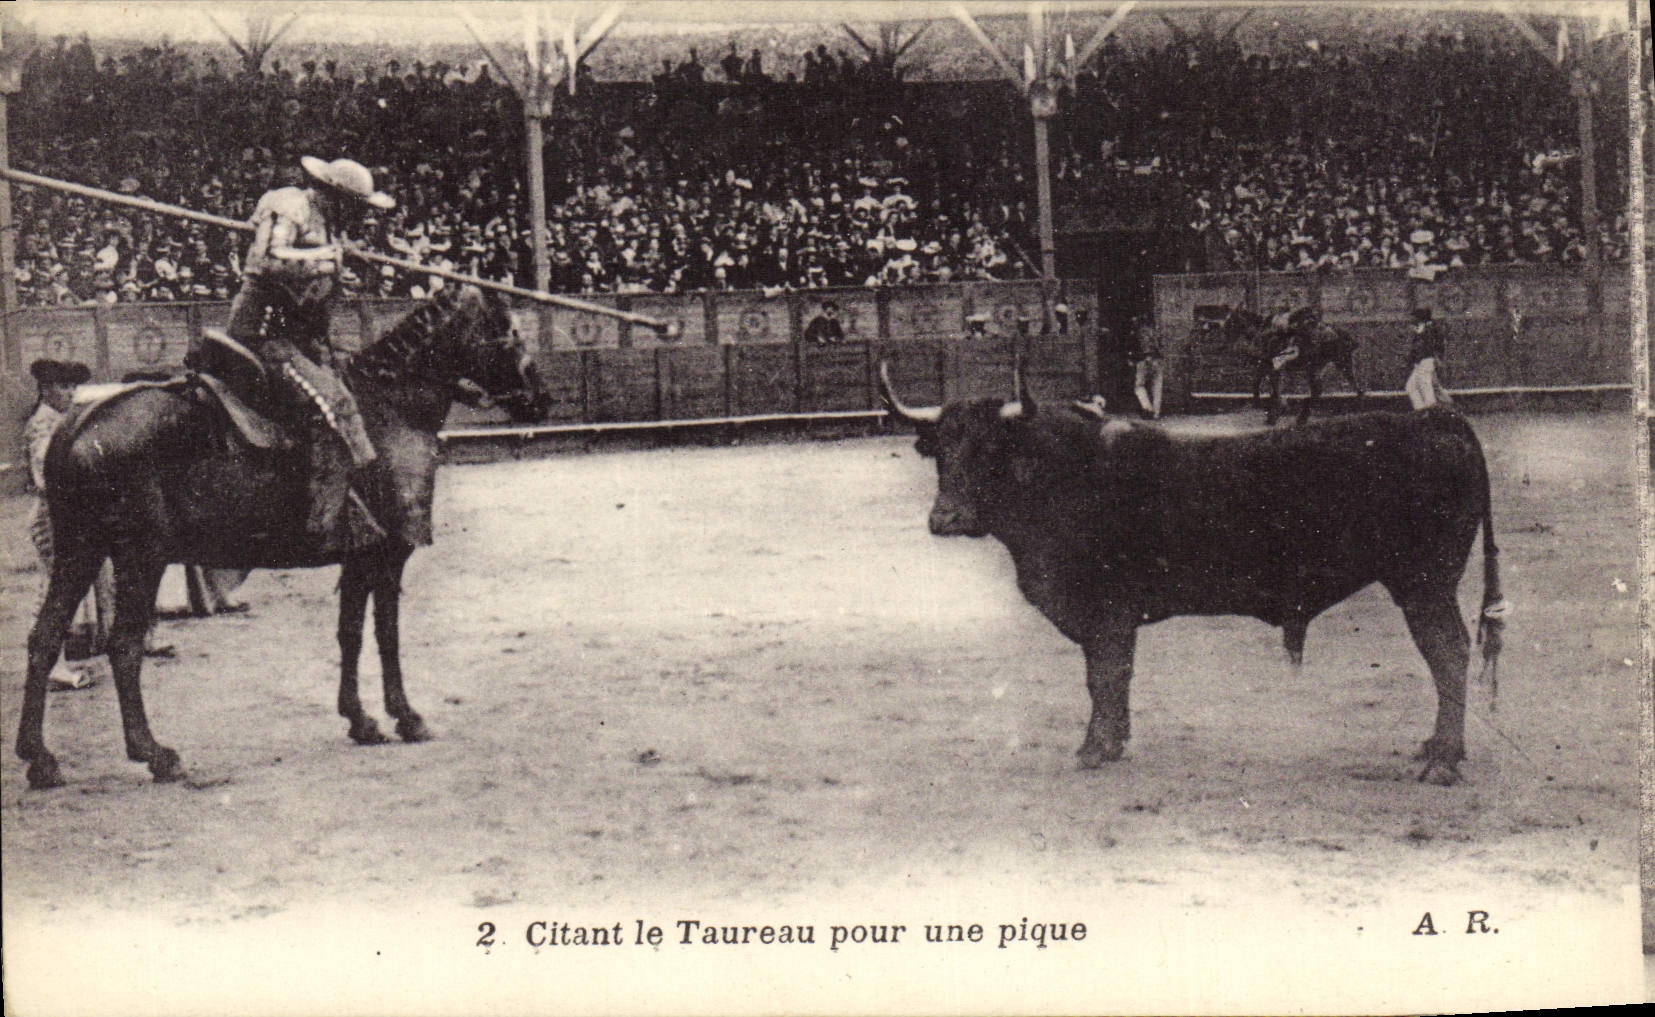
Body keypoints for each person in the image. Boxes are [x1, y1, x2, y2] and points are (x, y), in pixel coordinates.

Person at [225, 156, 395, 533]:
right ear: (336, 196)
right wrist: (328, 258)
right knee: (337, 403)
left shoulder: (329, 222)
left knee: (352, 388)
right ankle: (323, 518)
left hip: (300, 339)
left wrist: (341, 262)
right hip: (264, 336)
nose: (358, 215)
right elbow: (266, 258)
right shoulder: (290, 205)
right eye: (355, 205)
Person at [24, 359, 100, 690]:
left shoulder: (57, 420)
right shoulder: (44, 424)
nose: (70, 393)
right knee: (53, 590)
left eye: (72, 387)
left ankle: (53, 662)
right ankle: (48, 666)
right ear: (45, 389)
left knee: (57, 588)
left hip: (63, 514)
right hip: (53, 515)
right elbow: (46, 479)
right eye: (63, 386)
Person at [1405, 306, 1453, 410]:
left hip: (1425, 362)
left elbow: (1429, 346)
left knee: (1425, 388)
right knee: (1411, 387)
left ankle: (1430, 413)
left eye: (1414, 317)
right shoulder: (1422, 329)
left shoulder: (1428, 329)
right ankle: (1422, 410)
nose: (1411, 319)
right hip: (1420, 363)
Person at [1125, 314, 1164, 420]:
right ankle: (1156, 413)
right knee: (1157, 387)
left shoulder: (1140, 332)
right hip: (1158, 359)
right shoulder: (1155, 330)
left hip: (1145, 360)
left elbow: (1144, 346)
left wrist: (1143, 357)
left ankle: (1147, 408)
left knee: (1139, 386)